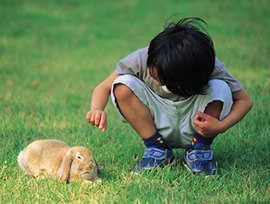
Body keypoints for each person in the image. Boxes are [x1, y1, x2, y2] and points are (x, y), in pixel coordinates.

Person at [86, 17, 253, 176]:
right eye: (152, 71)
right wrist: (96, 109)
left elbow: (245, 101)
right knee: (122, 85)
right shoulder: (142, 58)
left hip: (196, 120)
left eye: (161, 78)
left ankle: (199, 150)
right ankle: (158, 150)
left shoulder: (206, 65)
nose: (153, 78)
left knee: (220, 87)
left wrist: (221, 126)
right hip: (156, 119)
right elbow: (104, 87)